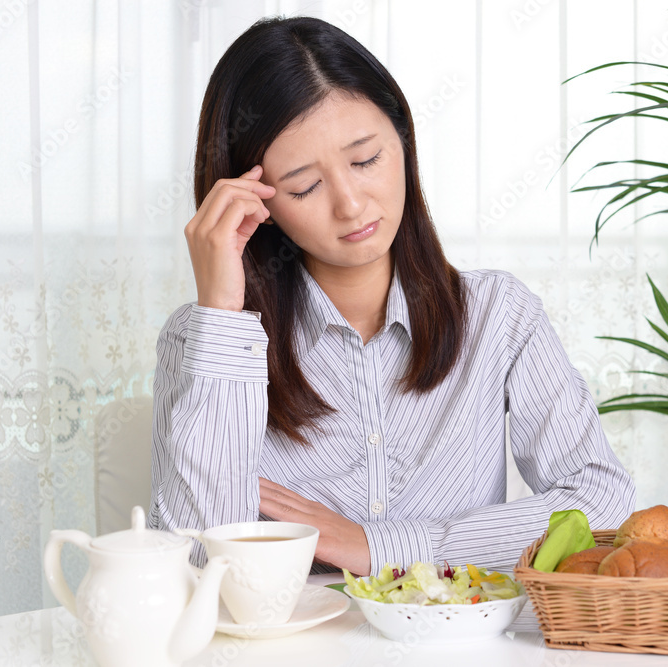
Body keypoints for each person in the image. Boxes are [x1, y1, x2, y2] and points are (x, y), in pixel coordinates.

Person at [149, 15, 636, 575]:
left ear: (402, 138)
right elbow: (197, 557)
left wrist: (384, 547)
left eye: (365, 160)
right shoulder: (203, 339)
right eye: (305, 186)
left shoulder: (499, 316)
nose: (351, 204)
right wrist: (221, 317)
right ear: (256, 202)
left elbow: (603, 504)